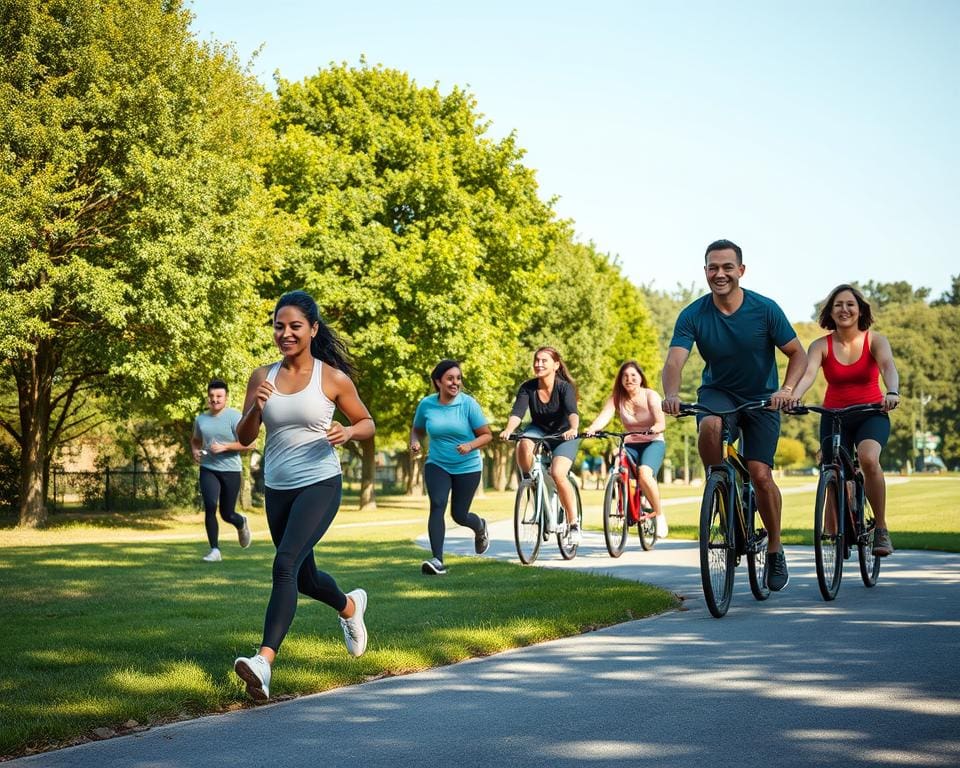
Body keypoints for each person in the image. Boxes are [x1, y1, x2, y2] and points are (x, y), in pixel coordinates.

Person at [231, 290, 376, 701]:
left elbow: (366, 422)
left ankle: (263, 663)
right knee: (305, 578)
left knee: (285, 564)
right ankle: (349, 606)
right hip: (277, 489)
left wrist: (347, 431)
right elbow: (243, 439)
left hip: (320, 483)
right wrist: (255, 409)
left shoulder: (330, 378)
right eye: (279, 326)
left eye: (295, 326)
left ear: (313, 329)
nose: (286, 333)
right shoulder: (262, 376)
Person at [661, 239, 806, 591]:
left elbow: (797, 354)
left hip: (762, 398)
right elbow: (675, 360)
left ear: (741, 270)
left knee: (760, 474)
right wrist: (671, 395)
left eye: (727, 267)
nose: (720, 273)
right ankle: (721, 488)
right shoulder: (693, 314)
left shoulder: (765, 309)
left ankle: (774, 547)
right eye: (713, 267)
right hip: (718, 392)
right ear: (705, 271)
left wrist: (785, 391)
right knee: (709, 425)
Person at [789, 284, 900, 556]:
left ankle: (881, 529)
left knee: (868, 458)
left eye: (850, 304)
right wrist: (795, 396)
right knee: (831, 467)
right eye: (838, 305)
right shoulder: (820, 345)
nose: (844, 309)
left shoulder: (875, 341)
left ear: (860, 310)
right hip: (834, 416)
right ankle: (837, 527)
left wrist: (892, 392)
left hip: (870, 413)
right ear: (830, 311)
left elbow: (888, 367)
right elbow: (808, 375)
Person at [409, 360, 493, 575]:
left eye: (458, 378)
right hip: (437, 464)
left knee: (459, 515)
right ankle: (437, 559)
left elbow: (486, 435)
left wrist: (470, 445)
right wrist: (415, 442)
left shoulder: (468, 405)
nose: (455, 382)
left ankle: (479, 526)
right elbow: (416, 429)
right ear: (438, 382)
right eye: (450, 378)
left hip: (468, 466)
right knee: (437, 504)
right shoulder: (426, 405)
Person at [499, 347, 582, 544]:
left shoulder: (564, 388)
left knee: (558, 473)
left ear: (556, 365)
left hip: (563, 434)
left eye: (544, 360)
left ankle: (573, 524)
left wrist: (574, 428)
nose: (539, 364)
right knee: (522, 443)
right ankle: (532, 481)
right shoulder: (528, 388)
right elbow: (517, 413)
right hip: (539, 430)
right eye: (536, 360)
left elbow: (572, 411)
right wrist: (509, 429)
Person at [585, 361, 668, 538]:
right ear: (621, 380)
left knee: (644, 473)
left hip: (652, 442)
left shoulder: (650, 395)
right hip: (630, 443)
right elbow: (605, 415)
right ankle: (627, 506)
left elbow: (661, 421)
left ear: (640, 378)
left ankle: (659, 515)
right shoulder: (617, 397)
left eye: (633, 376)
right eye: (625, 376)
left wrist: (656, 427)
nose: (629, 379)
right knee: (619, 467)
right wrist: (593, 428)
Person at [191, 379, 253, 562]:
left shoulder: (235, 417)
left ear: (226, 397)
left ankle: (241, 522)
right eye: (211, 396)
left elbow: (250, 444)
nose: (215, 400)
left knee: (227, 514)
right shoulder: (201, 419)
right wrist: (195, 450)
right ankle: (214, 550)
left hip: (231, 471)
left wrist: (225, 447)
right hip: (208, 468)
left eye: (219, 396)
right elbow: (195, 440)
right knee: (210, 506)